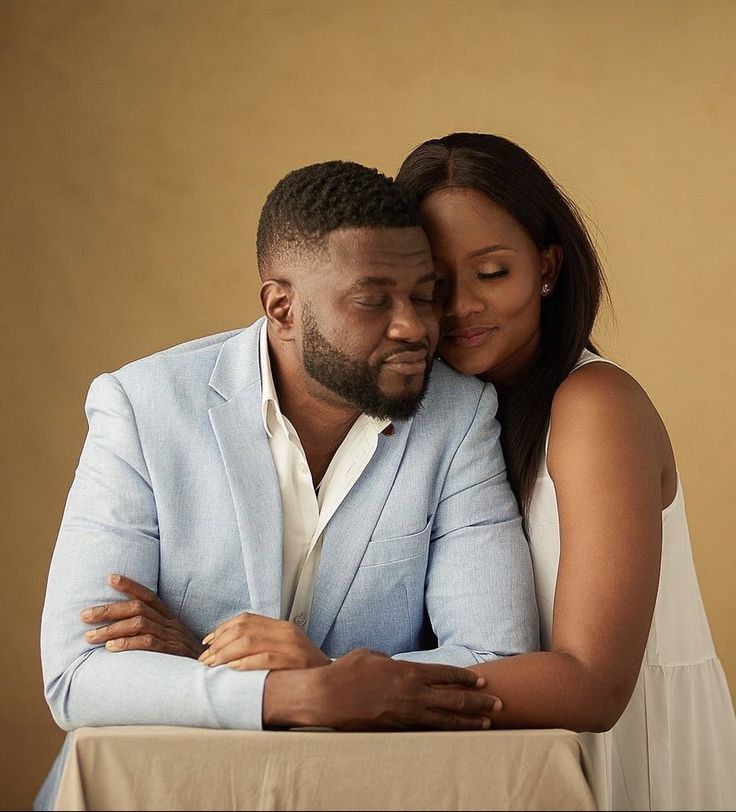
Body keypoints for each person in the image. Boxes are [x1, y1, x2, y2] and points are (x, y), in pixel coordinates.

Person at [34, 159, 540, 810]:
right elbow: (77, 677)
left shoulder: (459, 415)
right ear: (282, 307)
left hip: (371, 794)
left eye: (423, 294)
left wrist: (308, 671)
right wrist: (296, 696)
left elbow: (498, 653)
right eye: (372, 299)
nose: (413, 326)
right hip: (163, 790)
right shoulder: (142, 406)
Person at [393, 132, 736, 811]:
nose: (461, 306)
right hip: (510, 761)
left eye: (493, 272)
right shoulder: (442, 416)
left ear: (547, 267)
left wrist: (358, 685)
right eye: (437, 282)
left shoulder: (594, 405)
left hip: (628, 758)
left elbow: (597, 687)